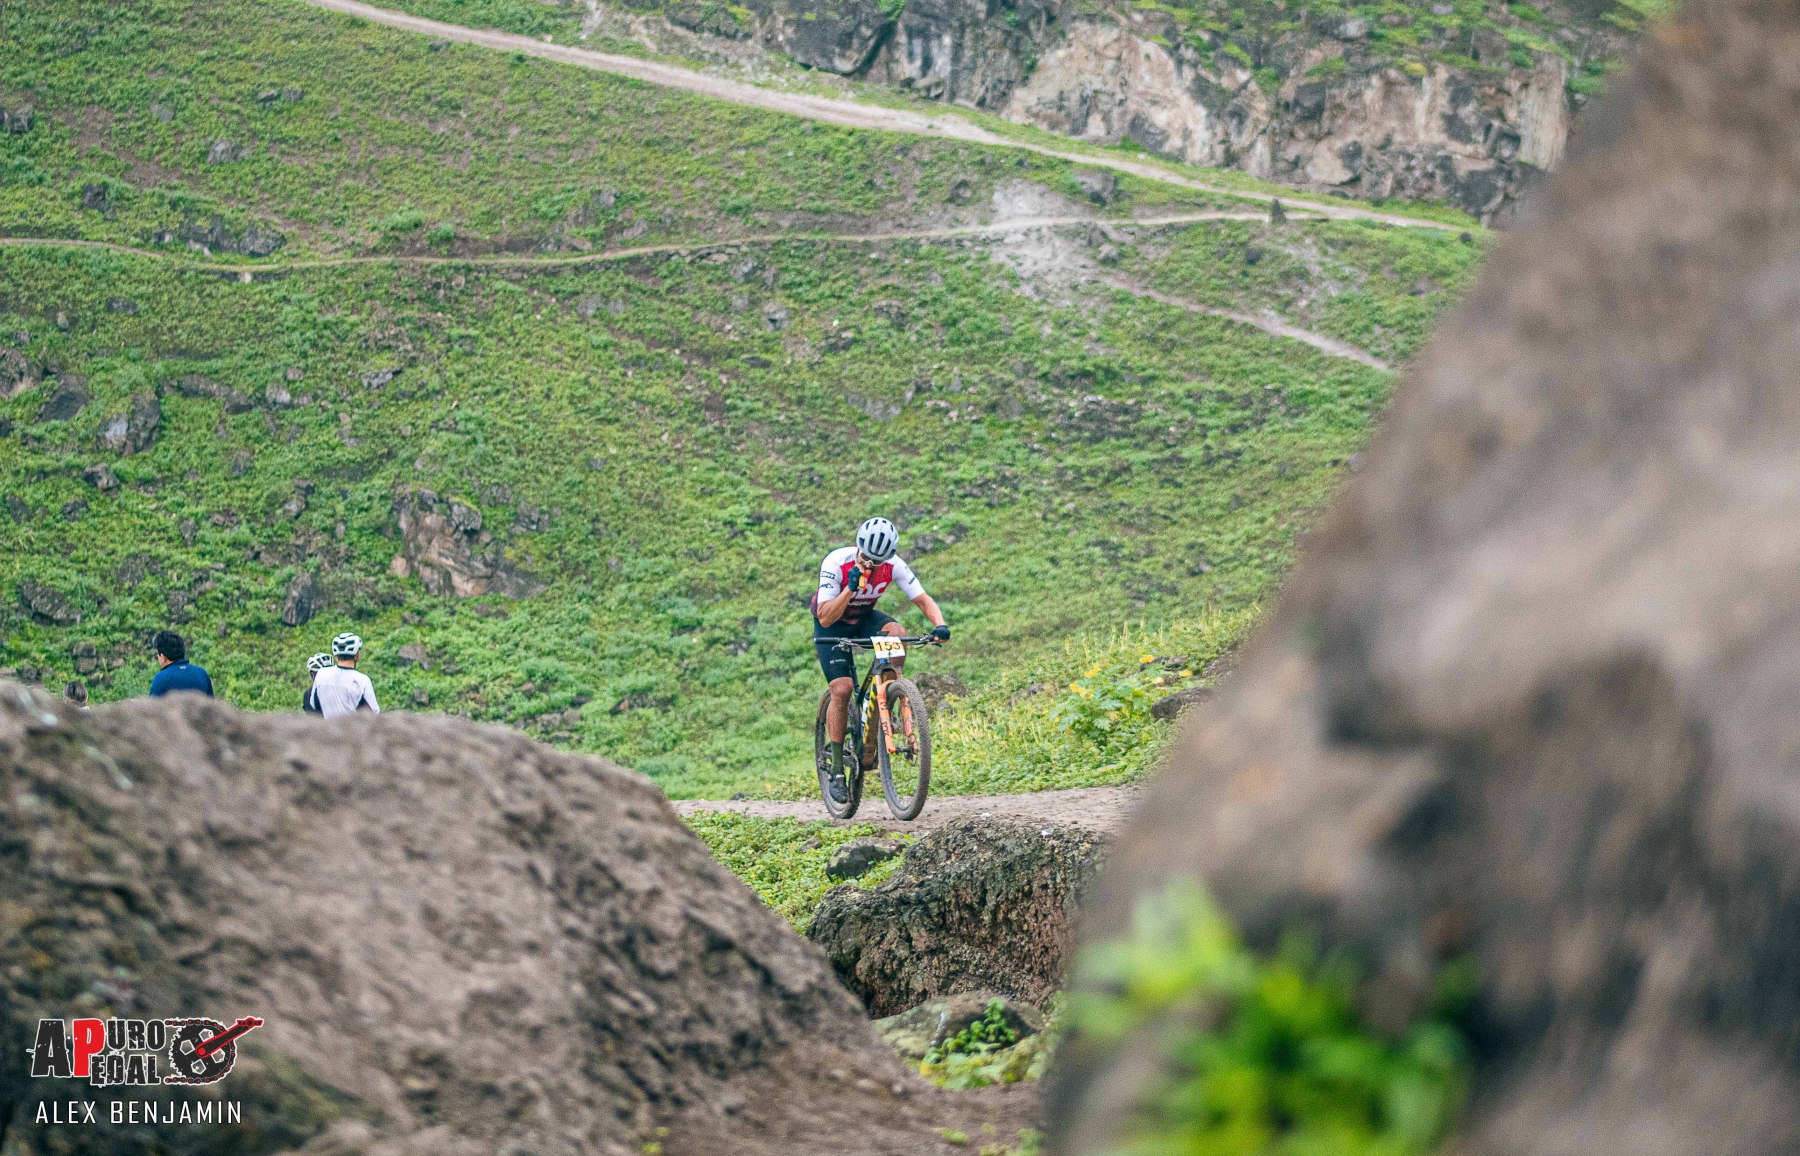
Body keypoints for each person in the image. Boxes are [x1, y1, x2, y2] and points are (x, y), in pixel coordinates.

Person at [811, 516, 949, 804]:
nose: (872, 565)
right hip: (833, 624)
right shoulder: (836, 562)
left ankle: (889, 697)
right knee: (842, 690)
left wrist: (940, 625)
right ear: (858, 546)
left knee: (897, 633)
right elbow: (825, 617)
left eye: (879, 561)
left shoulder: (894, 565)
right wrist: (849, 588)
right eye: (867, 558)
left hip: (863, 619)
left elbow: (922, 599)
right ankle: (836, 771)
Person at [312, 632, 380, 720]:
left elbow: (314, 705)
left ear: (336, 656)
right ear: (356, 655)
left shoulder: (321, 674)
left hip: (328, 727)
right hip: (354, 728)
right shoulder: (362, 680)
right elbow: (374, 713)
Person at [148, 631, 214, 698]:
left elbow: (153, 704)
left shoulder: (161, 679)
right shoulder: (202, 674)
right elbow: (211, 703)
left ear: (163, 656)